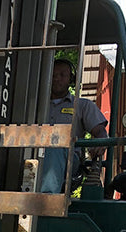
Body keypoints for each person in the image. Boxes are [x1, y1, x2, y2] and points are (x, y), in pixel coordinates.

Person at [39, 58, 109, 193]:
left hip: (70, 162)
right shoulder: (33, 105)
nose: (57, 79)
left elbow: (100, 132)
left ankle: (47, 198)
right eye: (53, 75)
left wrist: (101, 141)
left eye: (62, 75)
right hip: (35, 155)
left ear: (71, 79)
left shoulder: (82, 106)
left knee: (55, 146)